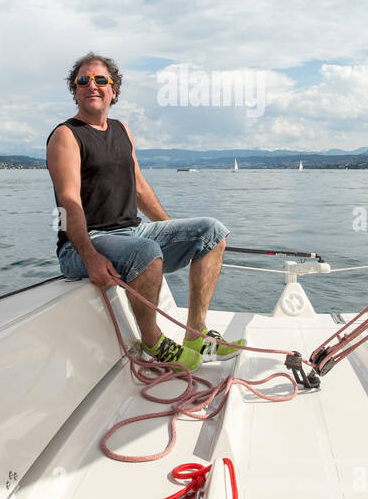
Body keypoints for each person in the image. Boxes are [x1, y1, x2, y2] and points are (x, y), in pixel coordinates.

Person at [46, 52, 242, 371]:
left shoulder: (122, 131)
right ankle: (153, 343)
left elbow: (138, 187)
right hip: (82, 243)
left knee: (211, 232)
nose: (91, 85)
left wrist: (172, 231)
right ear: (75, 90)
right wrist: (89, 256)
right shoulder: (66, 136)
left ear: (113, 89)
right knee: (145, 251)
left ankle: (195, 335)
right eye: (83, 80)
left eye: (100, 80)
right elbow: (68, 201)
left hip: (132, 233)